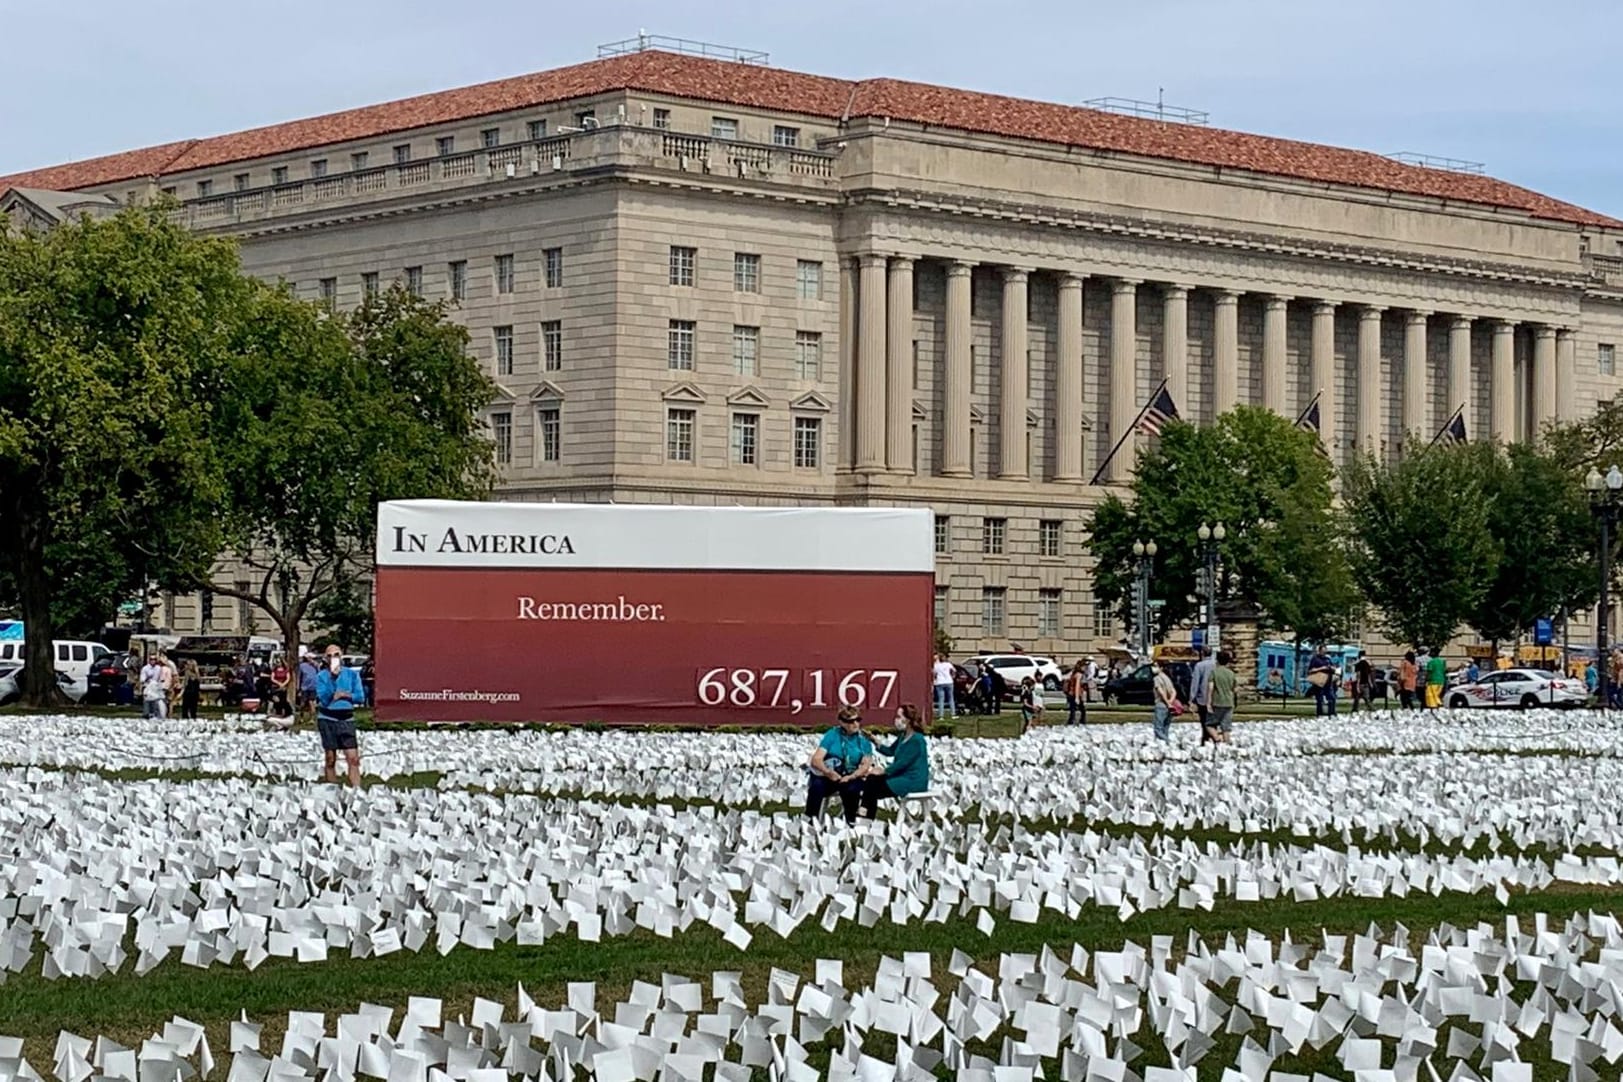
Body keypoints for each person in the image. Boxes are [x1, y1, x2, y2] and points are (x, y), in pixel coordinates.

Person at [804, 706, 873, 824]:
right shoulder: (832, 734)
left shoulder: (863, 740)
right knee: (817, 786)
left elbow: (865, 765)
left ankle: (850, 821)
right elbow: (816, 759)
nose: (856, 724)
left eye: (858, 720)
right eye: (851, 721)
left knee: (851, 789)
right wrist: (828, 772)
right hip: (831, 774)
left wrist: (851, 777)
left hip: (852, 775)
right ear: (842, 722)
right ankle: (810, 821)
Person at [859, 704, 930, 818]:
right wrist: (874, 740)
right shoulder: (903, 736)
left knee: (872, 786)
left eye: (898, 716)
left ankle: (865, 814)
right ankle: (865, 813)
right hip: (901, 776)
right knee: (872, 780)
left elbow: (903, 763)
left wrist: (883, 771)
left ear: (907, 719)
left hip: (913, 780)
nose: (896, 720)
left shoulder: (917, 740)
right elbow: (890, 751)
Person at [314, 643, 364, 785]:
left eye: (336, 655)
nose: (333, 658)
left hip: (346, 718)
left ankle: (356, 791)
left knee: (353, 757)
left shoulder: (352, 675)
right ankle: (332, 789)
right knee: (330, 758)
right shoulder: (322, 676)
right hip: (327, 718)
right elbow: (324, 698)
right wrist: (333, 679)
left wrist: (344, 695)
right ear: (325, 659)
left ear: (341, 656)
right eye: (329, 656)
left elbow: (360, 697)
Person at [1205, 649, 1238, 743]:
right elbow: (1235, 689)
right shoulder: (1231, 674)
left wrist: (1208, 702)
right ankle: (1227, 745)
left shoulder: (1214, 673)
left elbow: (1210, 688)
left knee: (1209, 724)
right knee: (1226, 727)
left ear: (1217, 660)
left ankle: (1217, 738)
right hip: (1229, 702)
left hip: (1217, 702)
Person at [1189, 648, 1216, 743]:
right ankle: (1213, 737)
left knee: (1204, 720)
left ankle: (1206, 738)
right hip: (1215, 697)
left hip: (1203, 697)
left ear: (1202, 653)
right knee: (1213, 720)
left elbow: (1195, 682)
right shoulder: (1216, 665)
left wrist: (1192, 698)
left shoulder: (1199, 666)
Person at [139, 653, 172, 720]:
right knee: (148, 703)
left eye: (154, 659)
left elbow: (161, 678)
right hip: (148, 687)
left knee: (158, 702)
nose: (153, 661)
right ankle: (147, 715)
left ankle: (159, 715)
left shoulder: (159, 668)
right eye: (151, 659)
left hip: (157, 688)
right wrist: (146, 680)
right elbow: (142, 679)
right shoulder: (145, 668)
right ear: (149, 660)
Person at [1150, 661, 1178, 741]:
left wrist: (1167, 702)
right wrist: (1170, 702)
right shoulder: (1167, 678)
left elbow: (1160, 691)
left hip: (1161, 704)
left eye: (1155, 666)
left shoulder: (1157, 678)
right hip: (1169, 706)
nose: (1153, 668)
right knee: (1165, 728)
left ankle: (1168, 742)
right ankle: (1165, 746)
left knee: (1158, 729)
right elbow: (1174, 691)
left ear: (1161, 668)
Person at [1306, 648, 1338, 716]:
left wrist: (1332, 668)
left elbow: (1333, 667)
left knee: (1332, 698)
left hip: (1328, 681)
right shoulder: (1315, 659)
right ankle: (1319, 714)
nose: (1324, 653)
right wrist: (1322, 668)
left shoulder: (1327, 659)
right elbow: (1310, 670)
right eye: (1323, 651)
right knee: (1320, 699)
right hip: (1319, 682)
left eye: (1325, 651)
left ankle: (1331, 713)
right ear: (1319, 651)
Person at [931, 653, 956, 719]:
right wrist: (952, 676)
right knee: (951, 698)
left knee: (941, 699)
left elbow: (934, 674)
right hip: (949, 681)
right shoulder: (948, 664)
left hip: (939, 682)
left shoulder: (936, 665)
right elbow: (954, 670)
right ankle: (953, 714)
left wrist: (934, 680)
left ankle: (941, 716)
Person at [297, 650, 320, 721]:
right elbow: (299, 676)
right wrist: (298, 687)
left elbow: (319, 673)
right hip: (304, 687)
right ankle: (301, 717)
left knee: (311, 702)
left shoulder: (316, 665)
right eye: (310, 658)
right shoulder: (302, 666)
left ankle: (312, 719)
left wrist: (316, 665)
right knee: (302, 703)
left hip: (313, 687)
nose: (312, 660)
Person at [1063, 661, 1087, 725]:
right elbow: (1077, 686)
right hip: (1075, 694)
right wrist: (1077, 697)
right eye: (1084, 666)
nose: (1085, 668)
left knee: (1072, 710)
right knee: (1082, 710)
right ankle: (1081, 722)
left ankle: (1071, 722)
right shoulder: (1079, 675)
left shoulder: (1074, 673)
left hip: (1070, 694)